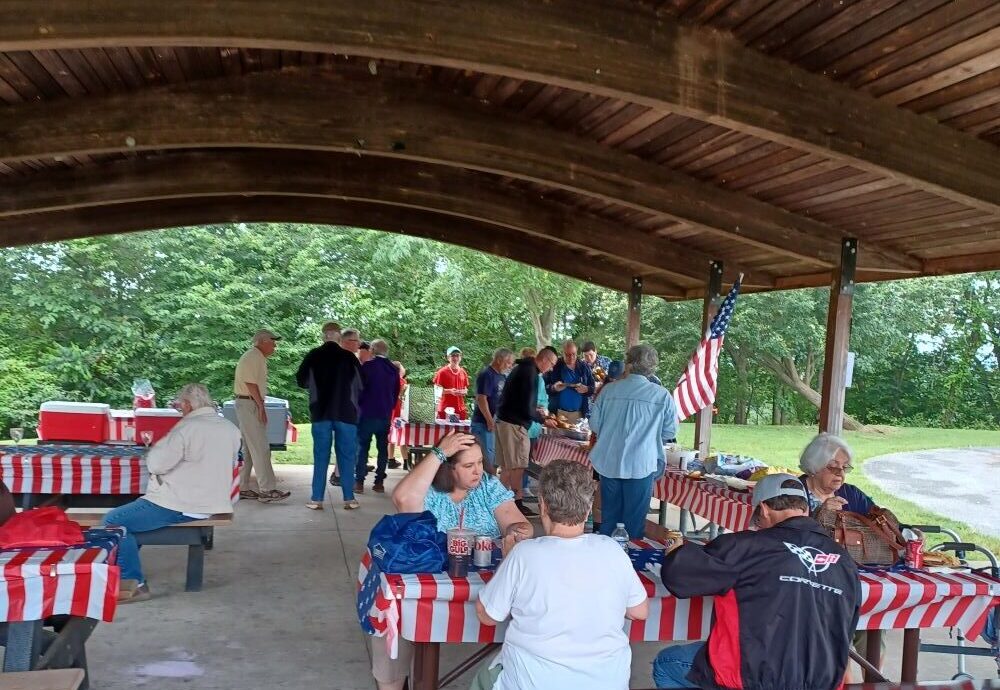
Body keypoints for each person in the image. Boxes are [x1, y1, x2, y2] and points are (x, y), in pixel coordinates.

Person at [651, 473, 860, 689]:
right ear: (805, 509)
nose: (758, 525)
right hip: (822, 681)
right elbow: (847, 630)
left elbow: (679, 576)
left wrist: (674, 550)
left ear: (764, 509)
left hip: (753, 676)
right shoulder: (845, 562)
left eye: (758, 520)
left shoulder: (745, 546)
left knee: (666, 663)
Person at [371, 433, 532, 690]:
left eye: (480, 462)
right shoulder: (429, 489)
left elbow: (517, 522)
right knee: (394, 612)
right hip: (430, 577)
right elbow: (403, 499)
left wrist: (517, 531)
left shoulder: (488, 486)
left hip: (484, 584)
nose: (478, 471)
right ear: (448, 468)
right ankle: (392, 683)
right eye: (468, 465)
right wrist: (439, 452)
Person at [472, 458, 648, 690]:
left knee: (483, 678)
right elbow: (639, 611)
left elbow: (487, 615)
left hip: (534, 683)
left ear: (543, 506)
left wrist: (508, 560)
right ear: (588, 509)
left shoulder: (524, 554)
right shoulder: (612, 549)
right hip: (607, 683)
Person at [105, 383, 241, 603]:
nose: (179, 409)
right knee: (129, 524)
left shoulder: (186, 428)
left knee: (114, 521)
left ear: (187, 405)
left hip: (180, 503)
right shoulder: (230, 428)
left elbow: (157, 465)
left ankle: (134, 584)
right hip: (211, 502)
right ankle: (120, 574)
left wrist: (154, 451)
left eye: (180, 405)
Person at [590, 344, 676, 538]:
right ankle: (631, 555)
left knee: (609, 518)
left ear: (628, 363)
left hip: (610, 461)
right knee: (634, 523)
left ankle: (607, 553)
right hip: (641, 464)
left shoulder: (608, 391)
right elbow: (670, 431)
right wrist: (649, 435)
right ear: (652, 367)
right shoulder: (661, 395)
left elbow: (594, 425)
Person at [296, 321, 363, 510]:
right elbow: (361, 384)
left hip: (321, 412)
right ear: (339, 337)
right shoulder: (349, 357)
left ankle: (316, 499)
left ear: (323, 336)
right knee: (347, 457)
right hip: (346, 413)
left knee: (320, 456)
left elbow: (301, 381)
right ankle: (349, 498)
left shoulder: (313, 355)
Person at [496, 347, 559, 517]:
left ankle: (498, 503)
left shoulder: (523, 368)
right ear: (544, 359)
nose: (551, 368)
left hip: (505, 421)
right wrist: (543, 420)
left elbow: (522, 402)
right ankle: (516, 504)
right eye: (552, 364)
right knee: (517, 467)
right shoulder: (530, 373)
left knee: (507, 467)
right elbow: (526, 407)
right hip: (514, 424)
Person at [233, 328, 289, 503]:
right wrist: (260, 406)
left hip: (246, 403)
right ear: (263, 341)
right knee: (260, 448)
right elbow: (250, 384)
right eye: (272, 341)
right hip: (249, 403)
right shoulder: (253, 357)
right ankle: (267, 489)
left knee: (250, 449)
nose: (274, 346)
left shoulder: (255, 357)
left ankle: (242, 487)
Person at [355, 339, 401, 494]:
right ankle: (379, 481)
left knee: (363, 448)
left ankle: (359, 481)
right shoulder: (393, 369)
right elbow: (396, 392)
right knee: (382, 449)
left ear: (373, 350)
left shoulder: (367, 367)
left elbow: (360, 389)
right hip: (384, 414)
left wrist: (359, 405)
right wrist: (389, 407)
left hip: (367, 412)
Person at [798, 433, 875, 515]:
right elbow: (792, 523)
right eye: (833, 466)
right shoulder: (794, 493)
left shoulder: (851, 493)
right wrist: (819, 514)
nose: (841, 473)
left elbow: (877, 517)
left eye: (844, 466)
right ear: (814, 466)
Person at [471, 348, 514, 475]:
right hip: (483, 423)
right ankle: (482, 483)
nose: (510, 366)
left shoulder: (501, 375)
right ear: (499, 360)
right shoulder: (486, 374)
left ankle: (491, 482)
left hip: (497, 421)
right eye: (508, 362)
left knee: (494, 458)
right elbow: (481, 399)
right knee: (486, 457)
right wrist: (489, 420)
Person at [544, 340, 595, 423]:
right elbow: (544, 387)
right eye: (567, 355)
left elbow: (592, 388)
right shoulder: (554, 366)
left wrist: (587, 389)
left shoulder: (584, 367)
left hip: (579, 414)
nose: (571, 357)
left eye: (573, 354)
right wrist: (554, 388)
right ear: (562, 353)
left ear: (577, 352)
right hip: (557, 413)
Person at [433, 346, 469, 420]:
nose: (455, 358)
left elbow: (465, 389)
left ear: (460, 357)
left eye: (457, 355)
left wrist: (464, 391)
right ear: (448, 358)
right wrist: (450, 391)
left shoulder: (463, 372)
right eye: (453, 356)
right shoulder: (442, 372)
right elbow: (436, 390)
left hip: (460, 410)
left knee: (461, 428)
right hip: (445, 410)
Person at [386, 360, 408, 470]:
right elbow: (403, 396)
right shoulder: (402, 381)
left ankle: (390, 460)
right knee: (402, 436)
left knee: (390, 436)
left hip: (389, 411)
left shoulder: (388, 380)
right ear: (399, 370)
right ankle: (406, 461)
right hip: (399, 411)